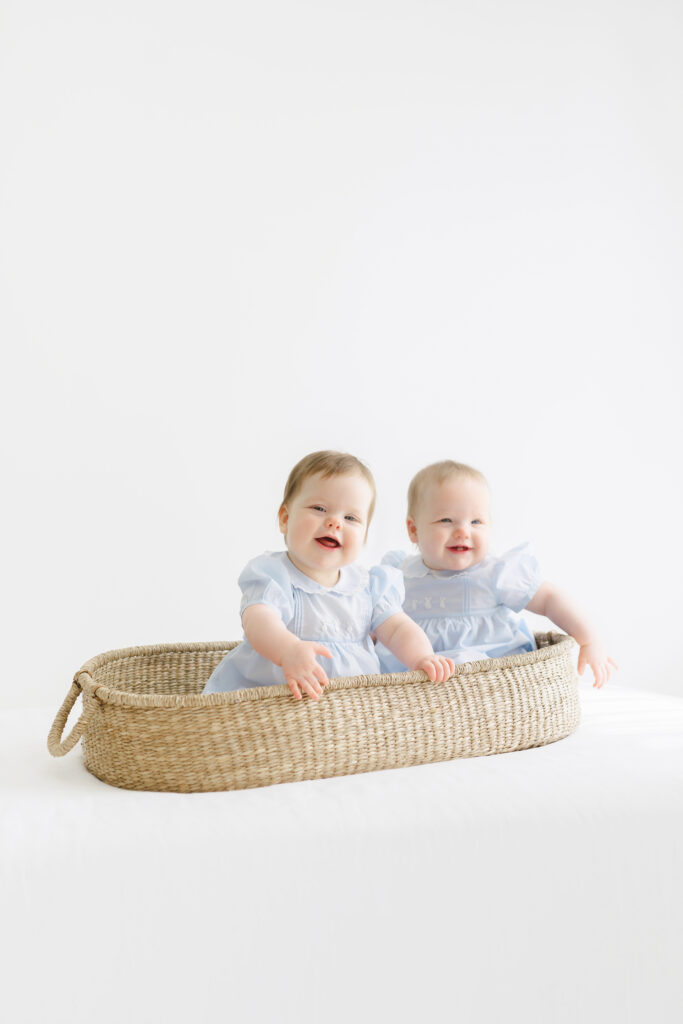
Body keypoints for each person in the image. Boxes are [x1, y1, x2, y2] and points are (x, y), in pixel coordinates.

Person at [204, 451, 454, 699]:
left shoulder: (369, 586)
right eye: (319, 508)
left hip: (346, 707)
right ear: (285, 518)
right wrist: (287, 650)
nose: (335, 522)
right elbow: (258, 620)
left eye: (350, 517)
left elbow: (398, 629)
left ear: (365, 534)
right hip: (274, 701)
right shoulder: (275, 575)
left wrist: (423, 656)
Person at [374, 460, 618, 688]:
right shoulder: (400, 576)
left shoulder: (496, 574)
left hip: (492, 676)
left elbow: (549, 599)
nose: (463, 532)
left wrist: (589, 640)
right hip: (420, 679)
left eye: (476, 522)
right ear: (414, 529)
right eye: (446, 520)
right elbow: (378, 621)